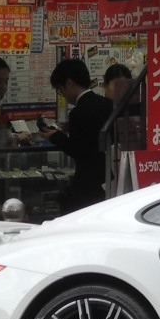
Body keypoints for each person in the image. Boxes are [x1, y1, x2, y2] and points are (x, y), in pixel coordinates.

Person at [39, 59, 115, 213]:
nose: (63, 96)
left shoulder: (78, 112)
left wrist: (55, 136)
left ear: (69, 83)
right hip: (110, 180)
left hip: (87, 185)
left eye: (60, 90)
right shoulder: (108, 104)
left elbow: (79, 150)